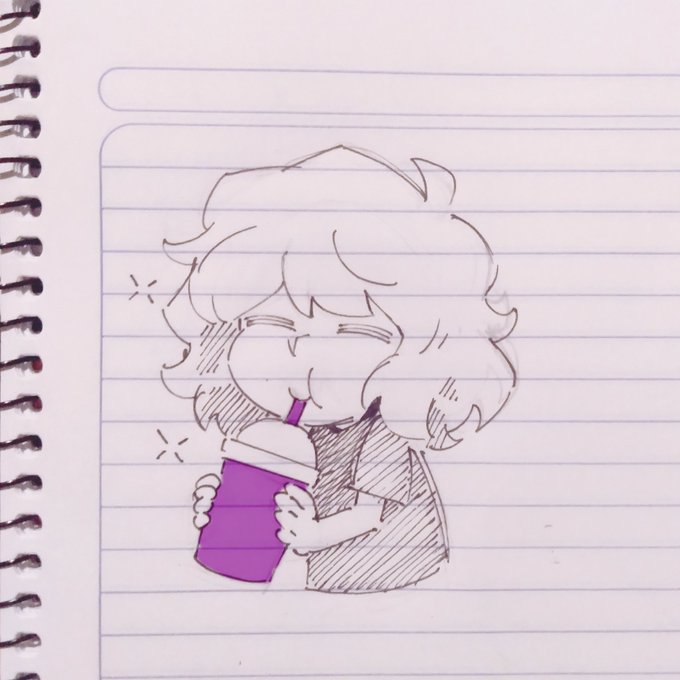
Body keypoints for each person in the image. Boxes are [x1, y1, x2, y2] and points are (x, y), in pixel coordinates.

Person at [164, 145, 517, 593]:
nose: (303, 354)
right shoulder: (267, 426)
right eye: (274, 323)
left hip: (385, 575)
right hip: (309, 580)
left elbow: (369, 516)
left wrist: (314, 535)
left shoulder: (382, 433)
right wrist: (220, 502)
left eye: (355, 331)